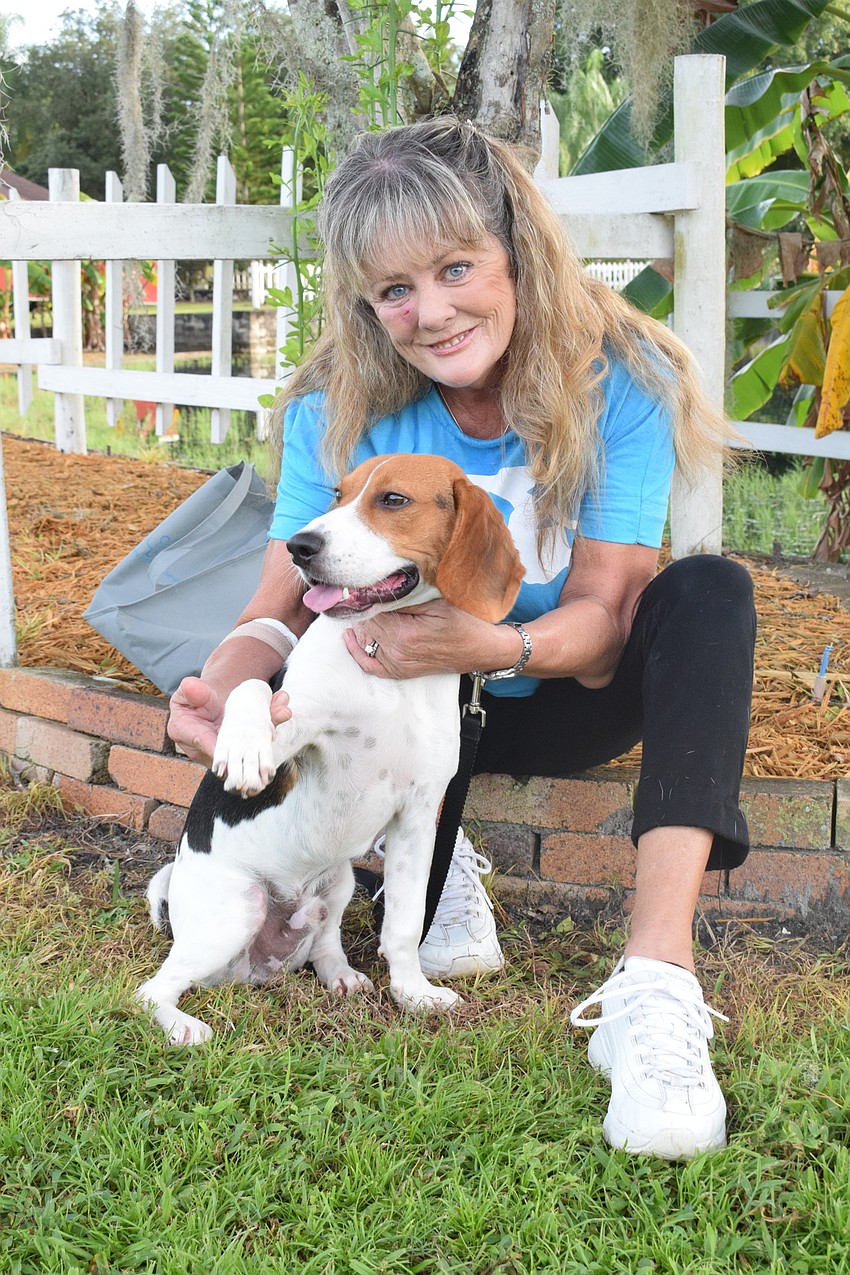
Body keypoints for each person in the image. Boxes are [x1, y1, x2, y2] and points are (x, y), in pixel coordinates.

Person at [168, 117, 756, 1160]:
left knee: (708, 592)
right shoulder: (334, 406)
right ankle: (439, 851)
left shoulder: (623, 378)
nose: (429, 312)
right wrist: (220, 686)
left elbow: (608, 615)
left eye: (454, 267)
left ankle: (655, 985)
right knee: (363, 693)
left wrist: (491, 648)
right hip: (411, 715)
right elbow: (277, 606)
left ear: (515, 253)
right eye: (393, 289)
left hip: (558, 689)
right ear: (364, 302)